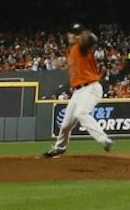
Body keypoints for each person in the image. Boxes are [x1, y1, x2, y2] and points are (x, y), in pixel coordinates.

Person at [43, 25, 115, 158]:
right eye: (71, 33)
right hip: (78, 92)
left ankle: (105, 140)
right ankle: (59, 148)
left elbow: (93, 39)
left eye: (74, 34)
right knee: (65, 125)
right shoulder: (73, 51)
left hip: (90, 88)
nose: (71, 36)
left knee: (81, 113)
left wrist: (82, 36)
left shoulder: (82, 47)